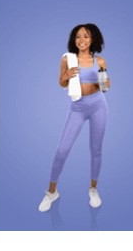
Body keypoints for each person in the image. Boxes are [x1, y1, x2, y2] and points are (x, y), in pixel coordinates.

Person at [38, 23, 110, 212]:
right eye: (78, 37)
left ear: (92, 39)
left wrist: (107, 83)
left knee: (96, 149)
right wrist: (67, 75)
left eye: (86, 36)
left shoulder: (100, 61)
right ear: (73, 40)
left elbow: (104, 87)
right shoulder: (68, 59)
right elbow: (61, 83)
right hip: (78, 108)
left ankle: (93, 189)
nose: (82, 40)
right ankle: (51, 192)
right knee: (62, 150)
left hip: (98, 106)